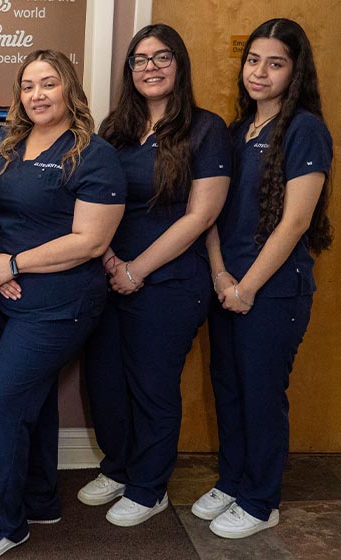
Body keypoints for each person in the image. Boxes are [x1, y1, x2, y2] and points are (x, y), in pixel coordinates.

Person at [0, 50, 126, 560]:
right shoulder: (3, 146)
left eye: (48, 84)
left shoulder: (93, 154)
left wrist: (15, 265)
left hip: (60, 302)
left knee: (3, 402)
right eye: (28, 86)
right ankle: (39, 500)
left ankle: (4, 525)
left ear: (69, 88)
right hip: (4, 296)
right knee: (31, 400)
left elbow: (90, 241)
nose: (37, 94)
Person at [79, 24, 231, 527]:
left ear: (179, 64)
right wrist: (109, 262)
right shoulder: (114, 130)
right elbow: (96, 203)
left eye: (162, 57)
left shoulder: (206, 129)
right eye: (140, 59)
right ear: (129, 71)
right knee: (105, 383)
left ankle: (149, 487)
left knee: (152, 386)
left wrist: (137, 270)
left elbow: (201, 214)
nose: (150, 67)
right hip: (108, 274)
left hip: (170, 283)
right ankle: (119, 468)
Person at [194, 18, 333, 539]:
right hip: (225, 285)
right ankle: (233, 481)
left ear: (295, 72)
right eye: (254, 60)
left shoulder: (304, 129)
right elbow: (211, 212)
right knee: (228, 389)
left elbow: (296, 221)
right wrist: (219, 274)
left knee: (260, 394)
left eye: (275, 63)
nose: (260, 72)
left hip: (271, 293)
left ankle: (259, 500)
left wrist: (246, 286)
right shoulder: (235, 130)